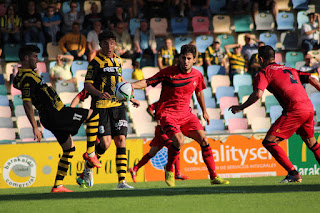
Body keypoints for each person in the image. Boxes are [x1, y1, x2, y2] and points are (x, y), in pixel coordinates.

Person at [131, 44, 229, 187]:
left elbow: (199, 92)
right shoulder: (168, 72)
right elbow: (148, 82)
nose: (185, 61)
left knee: (204, 140)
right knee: (178, 140)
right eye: (183, 58)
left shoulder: (197, 75)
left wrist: (204, 111)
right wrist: (131, 86)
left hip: (187, 115)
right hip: (168, 115)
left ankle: (213, 176)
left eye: (189, 58)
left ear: (194, 59)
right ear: (179, 58)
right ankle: (170, 169)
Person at [13, 45, 101, 193]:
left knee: (69, 149)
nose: (37, 59)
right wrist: (35, 127)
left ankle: (58, 185)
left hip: (53, 116)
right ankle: (91, 153)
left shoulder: (28, 75)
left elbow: (18, 83)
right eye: (34, 56)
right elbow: (26, 102)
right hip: (56, 114)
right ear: (26, 58)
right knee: (94, 115)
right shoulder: (27, 78)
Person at [229, 45, 320, 183]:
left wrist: (241, 107)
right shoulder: (288, 69)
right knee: (311, 143)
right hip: (308, 108)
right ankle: (293, 174)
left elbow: (258, 94)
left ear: (260, 59)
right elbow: (312, 79)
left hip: (295, 109)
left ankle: (293, 173)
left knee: (269, 142)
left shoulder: (264, 72)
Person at [76, 30, 140, 189]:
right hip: (101, 107)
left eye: (112, 43)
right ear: (100, 44)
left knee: (121, 141)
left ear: (115, 44)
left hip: (118, 106)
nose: (109, 46)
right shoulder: (95, 63)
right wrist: (99, 93)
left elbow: (120, 80)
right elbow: (87, 85)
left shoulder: (118, 61)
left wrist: (130, 97)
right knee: (105, 143)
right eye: (105, 43)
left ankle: (122, 182)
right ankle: (88, 167)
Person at [129, 100, 189, 183]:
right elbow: (149, 108)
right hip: (162, 129)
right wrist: (155, 116)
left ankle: (135, 168)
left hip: (162, 130)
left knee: (152, 153)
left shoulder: (171, 102)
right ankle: (177, 173)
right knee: (175, 147)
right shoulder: (162, 102)